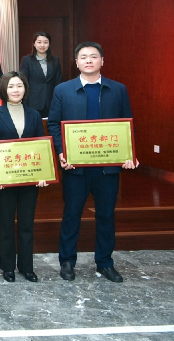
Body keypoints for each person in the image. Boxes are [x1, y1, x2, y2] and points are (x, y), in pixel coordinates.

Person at [48, 41, 138, 283]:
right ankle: (67, 261)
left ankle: (105, 263)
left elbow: (127, 124)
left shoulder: (118, 89)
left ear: (102, 61)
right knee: (72, 214)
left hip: (108, 168)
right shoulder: (63, 90)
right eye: (84, 57)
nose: (89, 60)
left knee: (106, 216)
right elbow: (54, 124)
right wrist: (61, 152)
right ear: (76, 62)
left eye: (94, 56)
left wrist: (129, 154)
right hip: (75, 167)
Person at [0, 72, 47, 283]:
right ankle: (8, 266)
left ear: (25, 88)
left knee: (27, 223)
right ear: (4, 89)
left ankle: (26, 267)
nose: (16, 90)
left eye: (19, 85)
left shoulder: (34, 115)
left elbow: (41, 147)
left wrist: (43, 173)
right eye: (11, 86)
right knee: (6, 224)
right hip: (5, 180)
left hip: (30, 179)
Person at [19, 32, 63, 118]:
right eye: (39, 42)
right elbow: (23, 81)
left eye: (45, 42)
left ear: (49, 44)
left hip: (51, 102)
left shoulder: (55, 60)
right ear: (34, 44)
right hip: (32, 102)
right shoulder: (27, 60)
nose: (42, 45)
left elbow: (58, 81)